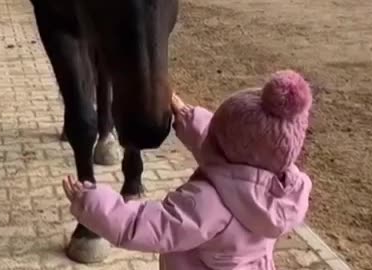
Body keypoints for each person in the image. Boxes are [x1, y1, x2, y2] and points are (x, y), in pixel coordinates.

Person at [62, 69, 313, 269]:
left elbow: (144, 225)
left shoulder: (206, 204)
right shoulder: (286, 190)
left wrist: (92, 202)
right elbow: (225, 153)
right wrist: (187, 116)